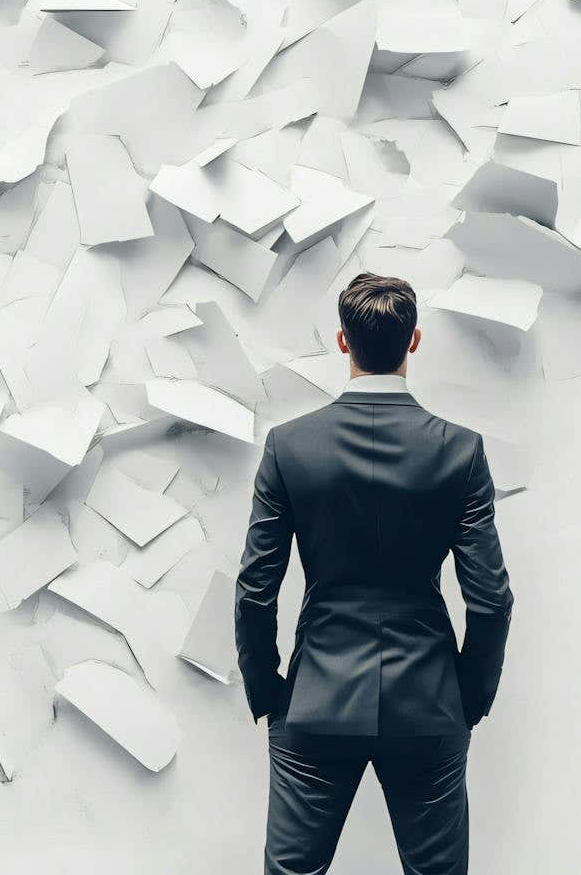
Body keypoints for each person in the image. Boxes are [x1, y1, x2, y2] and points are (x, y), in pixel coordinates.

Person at [234, 272, 514, 875]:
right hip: (429, 701)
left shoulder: (290, 447)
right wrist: (467, 698)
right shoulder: (460, 451)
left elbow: (256, 590)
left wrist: (270, 695)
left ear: (343, 342)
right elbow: (490, 601)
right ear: (414, 342)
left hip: (315, 699)